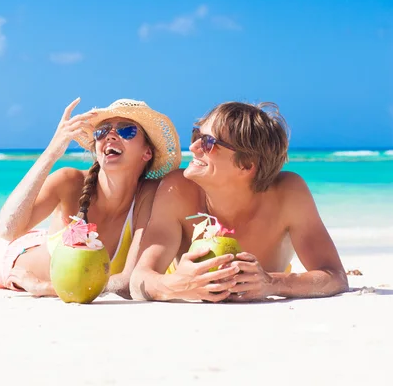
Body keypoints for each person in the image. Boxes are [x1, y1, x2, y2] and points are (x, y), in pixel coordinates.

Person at [129, 101, 349, 302]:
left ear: (246, 165)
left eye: (208, 143)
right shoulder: (176, 189)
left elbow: (335, 277)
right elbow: (139, 280)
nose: (194, 147)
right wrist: (175, 285)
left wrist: (272, 283)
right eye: (196, 136)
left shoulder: (288, 193)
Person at [0, 97, 181, 299]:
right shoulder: (70, 181)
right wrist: (52, 152)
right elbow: (9, 229)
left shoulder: (149, 196)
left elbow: (128, 281)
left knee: (13, 237)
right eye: (102, 131)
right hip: (9, 261)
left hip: (38, 249)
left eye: (127, 130)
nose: (111, 135)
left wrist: (47, 288)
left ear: (147, 153)